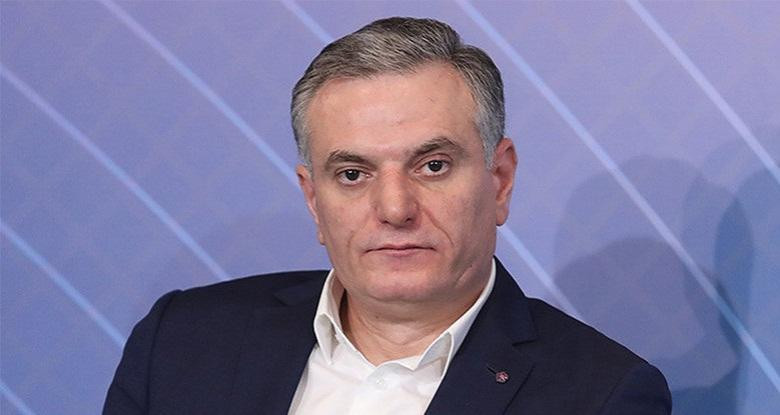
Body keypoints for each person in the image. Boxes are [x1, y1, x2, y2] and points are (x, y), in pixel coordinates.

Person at [104, 17, 671, 414]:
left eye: (432, 166)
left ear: (499, 179)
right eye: (353, 174)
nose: (395, 209)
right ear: (314, 200)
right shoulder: (182, 342)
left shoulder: (600, 396)